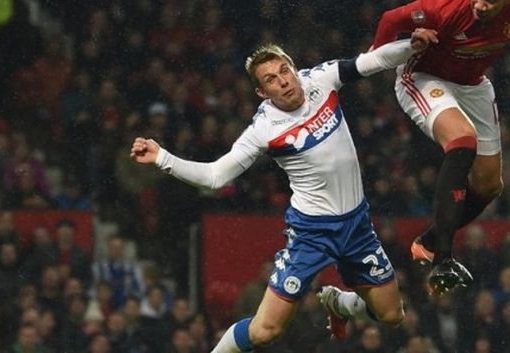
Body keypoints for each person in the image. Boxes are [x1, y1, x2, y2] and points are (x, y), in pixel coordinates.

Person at [130, 30, 437, 351]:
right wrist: (162, 157)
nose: (284, 81)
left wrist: (411, 47)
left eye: (285, 71)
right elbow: (215, 176)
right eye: (272, 80)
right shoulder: (265, 129)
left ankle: (341, 304)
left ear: (294, 68)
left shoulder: (321, 79)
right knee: (265, 331)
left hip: (357, 225)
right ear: (262, 92)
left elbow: (372, 61)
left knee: (391, 314)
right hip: (312, 232)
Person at [370, 0, 510, 294]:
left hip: (473, 83)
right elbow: (391, 19)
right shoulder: (443, 4)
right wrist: (377, 62)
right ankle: (443, 260)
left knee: (490, 185)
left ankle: (430, 241)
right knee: (462, 140)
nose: (478, 4)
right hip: (423, 76)